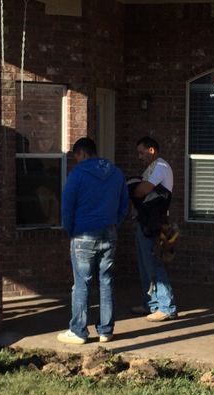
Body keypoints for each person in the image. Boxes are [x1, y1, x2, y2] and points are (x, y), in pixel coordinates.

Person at [57, 138, 130, 345]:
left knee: (82, 283)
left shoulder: (78, 174)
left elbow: (67, 207)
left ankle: (79, 330)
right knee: (106, 281)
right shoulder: (116, 173)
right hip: (109, 233)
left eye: (76, 156)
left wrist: (70, 230)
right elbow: (124, 205)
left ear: (82, 154)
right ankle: (106, 330)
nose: (76, 161)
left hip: (83, 235)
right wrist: (114, 224)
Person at [131, 135, 178, 321]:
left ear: (152, 150)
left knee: (154, 264)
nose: (139, 157)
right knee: (144, 265)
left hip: (155, 223)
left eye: (142, 152)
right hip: (145, 221)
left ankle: (167, 307)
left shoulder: (161, 167)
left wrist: (132, 190)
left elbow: (143, 190)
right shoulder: (151, 168)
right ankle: (151, 304)